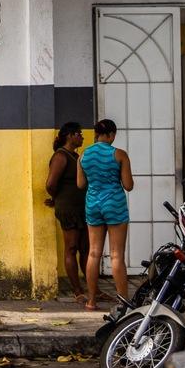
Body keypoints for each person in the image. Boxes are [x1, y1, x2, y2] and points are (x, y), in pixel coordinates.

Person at [77, 119, 133, 310]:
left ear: (96, 134)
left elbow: (80, 184)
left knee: (93, 253)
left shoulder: (84, 155)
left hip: (93, 204)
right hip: (115, 204)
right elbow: (128, 185)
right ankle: (124, 303)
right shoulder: (119, 154)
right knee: (116, 255)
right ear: (110, 135)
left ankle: (91, 301)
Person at [45, 121, 89, 302]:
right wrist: (57, 198)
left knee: (85, 249)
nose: (82, 137)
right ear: (70, 136)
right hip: (69, 210)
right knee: (71, 248)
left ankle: (92, 288)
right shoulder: (61, 156)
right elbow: (50, 184)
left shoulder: (75, 156)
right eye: (79, 134)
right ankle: (78, 291)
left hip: (82, 208)